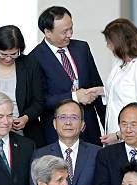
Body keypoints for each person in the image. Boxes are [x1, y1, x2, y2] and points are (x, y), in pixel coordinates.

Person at [29, 6, 105, 146]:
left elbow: (97, 86)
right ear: (47, 32)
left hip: (89, 127)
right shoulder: (34, 59)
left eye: (71, 28)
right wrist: (75, 97)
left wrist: (107, 125)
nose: (69, 34)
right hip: (57, 132)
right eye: (64, 32)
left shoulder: (82, 48)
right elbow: (41, 100)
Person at [0, 25, 45, 146]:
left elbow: (39, 101)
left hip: (25, 130)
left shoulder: (30, 65)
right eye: (3, 54)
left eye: (14, 54)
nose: (8, 59)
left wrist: (25, 118)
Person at [31, 99, 100, 185]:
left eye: (74, 118)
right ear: (54, 123)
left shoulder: (98, 153)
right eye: (62, 117)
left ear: (83, 125)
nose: (68, 122)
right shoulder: (40, 155)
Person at [96, 18, 137, 144]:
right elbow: (119, 92)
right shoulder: (120, 63)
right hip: (117, 133)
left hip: (134, 137)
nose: (108, 46)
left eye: (109, 41)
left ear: (120, 41)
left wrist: (119, 135)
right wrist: (100, 91)